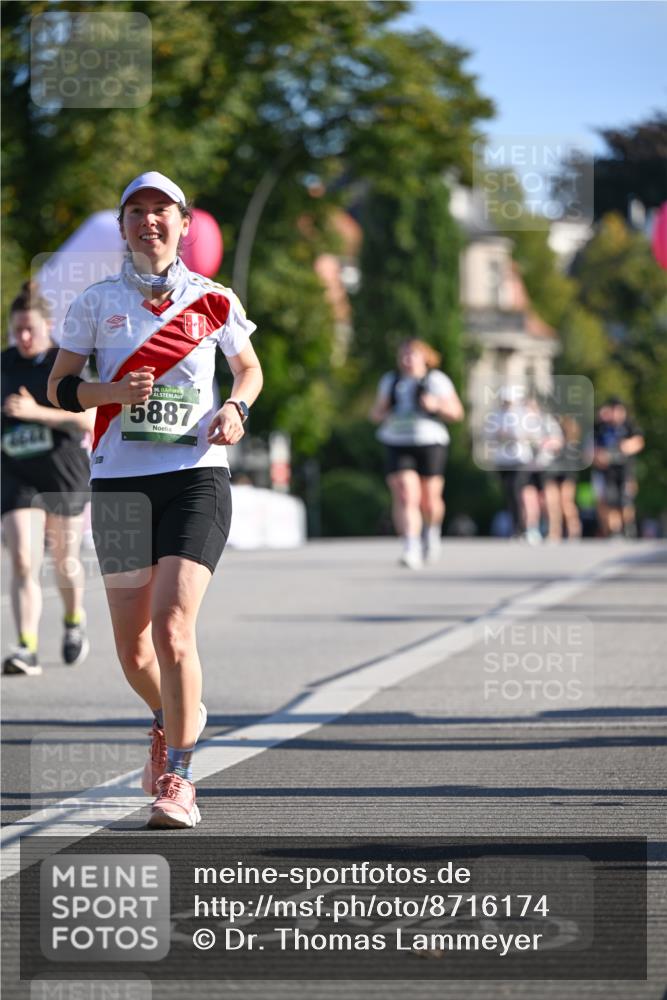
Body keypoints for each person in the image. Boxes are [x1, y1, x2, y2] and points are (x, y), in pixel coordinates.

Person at [47, 171, 263, 829]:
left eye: (161, 211)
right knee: (133, 649)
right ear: (121, 227)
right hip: (119, 484)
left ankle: (180, 776)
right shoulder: (94, 302)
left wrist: (235, 406)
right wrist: (108, 394)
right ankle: (172, 716)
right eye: (136, 212)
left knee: (172, 626)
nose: (149, 222)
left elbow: (249, 368)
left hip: (197, 476)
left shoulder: (213, 300)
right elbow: (59, 387)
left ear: (183, 222)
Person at [2, 282, 94, 676]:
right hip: (17, 474)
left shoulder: (65, 363)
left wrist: (37, 413)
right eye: (17, 330)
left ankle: (74, 621)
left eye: (31, 330)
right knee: (23, 557)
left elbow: (91, 419)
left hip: (63, 474)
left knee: (64, 562)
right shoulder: (4, 364)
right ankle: (26, 647)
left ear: (48, 327)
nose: (24, 337)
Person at [370, 339, 464, 568]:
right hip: (397, 440)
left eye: (411, 354)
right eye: (402, 355)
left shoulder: (436, 381)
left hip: (429, 441)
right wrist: (382, 412)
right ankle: (410, 545)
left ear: (425, 357)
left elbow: (456, 412)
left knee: (430, 500)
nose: (406, 360)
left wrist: (436, 406)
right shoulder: (391, 381)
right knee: (405, 494)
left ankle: (431, 532)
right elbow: (375, 413)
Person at [592, 397, 644, 538]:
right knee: (610, 501)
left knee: (626, 500)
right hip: (608, 470)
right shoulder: (602, 427)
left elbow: (639, 441)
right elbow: (593, 449)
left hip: (626, 470)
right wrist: (599, 456)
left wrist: (627, 447)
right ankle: (615, 530)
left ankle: (628, 527)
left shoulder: (629, 425)